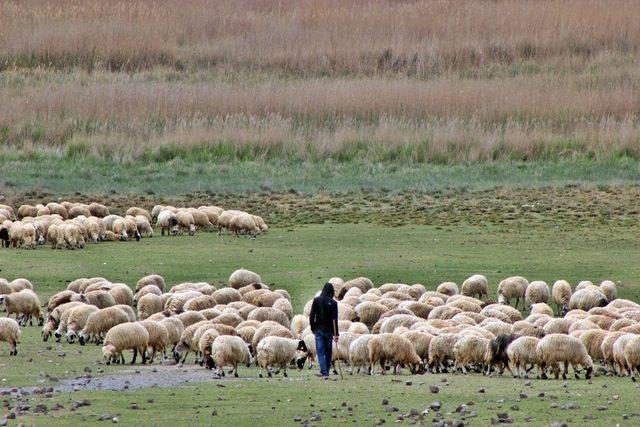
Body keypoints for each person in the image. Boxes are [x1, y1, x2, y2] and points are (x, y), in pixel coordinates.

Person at [309, 282, 339, 379]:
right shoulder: (334, 303)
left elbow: (312, 315)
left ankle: (324, 372)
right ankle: (326, 372)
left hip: (318, 329)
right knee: (328, 351)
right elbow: (335, 319)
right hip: (329, 331)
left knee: (320, 351)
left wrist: (313, 327)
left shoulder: (316, 300)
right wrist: (336, 333)